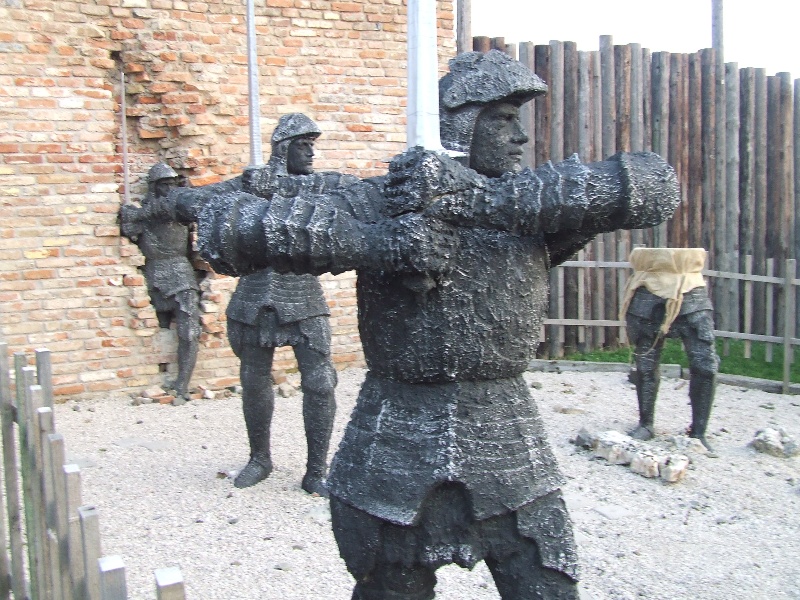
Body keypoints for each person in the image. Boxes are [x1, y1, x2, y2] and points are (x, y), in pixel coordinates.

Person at [186, 50, 680, 599]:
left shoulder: (528, 203)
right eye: (502, 119)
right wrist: (377, 243)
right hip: (391, 440)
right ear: (461, 125)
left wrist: (473, 200)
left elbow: (656, 186)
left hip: (510, 443)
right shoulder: (381, 199)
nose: (519, 136)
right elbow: (221, 228)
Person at [226, 114, 357, 494]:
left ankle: (317, 469)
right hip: (254, 293)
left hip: (303, 293)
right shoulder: (252, 183)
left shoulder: (319, 186)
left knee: (320, 381)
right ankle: (259, 459)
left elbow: (351, 192)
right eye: (304, 145)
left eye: (313, 145)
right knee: (254, 379)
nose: (311, 153)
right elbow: (215, 209)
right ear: (284, 148)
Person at [620, 247, 718, 451]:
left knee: (705, 366)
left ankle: (698, 432)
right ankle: (646, 424)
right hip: (648, 291)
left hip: (691, 292)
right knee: (645, 364)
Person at [120, 162, 202, 401]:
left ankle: (182, 384)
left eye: (172, 184)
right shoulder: (144, 212)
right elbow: (129, 227)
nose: (169, 190)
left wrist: (138, 214)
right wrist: (132, 215)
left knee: (189, 331)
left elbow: (173, 209)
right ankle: (156, 376)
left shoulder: (178, 207)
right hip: (154, 272)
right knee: (159, 325)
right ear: (154, 187)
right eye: (164, 185)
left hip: (181, 273)